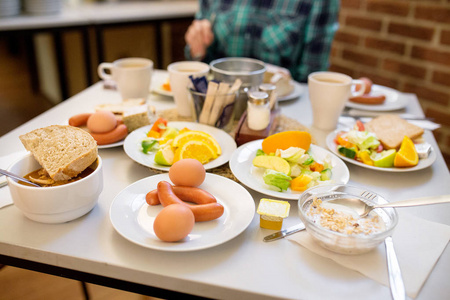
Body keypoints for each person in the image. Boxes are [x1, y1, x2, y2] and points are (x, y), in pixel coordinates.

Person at [184, 0, 339, 83]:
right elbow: (199, 59)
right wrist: (197, 50)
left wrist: (284, 81)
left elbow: (312, 79)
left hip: (283, 109)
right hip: (217, 102)